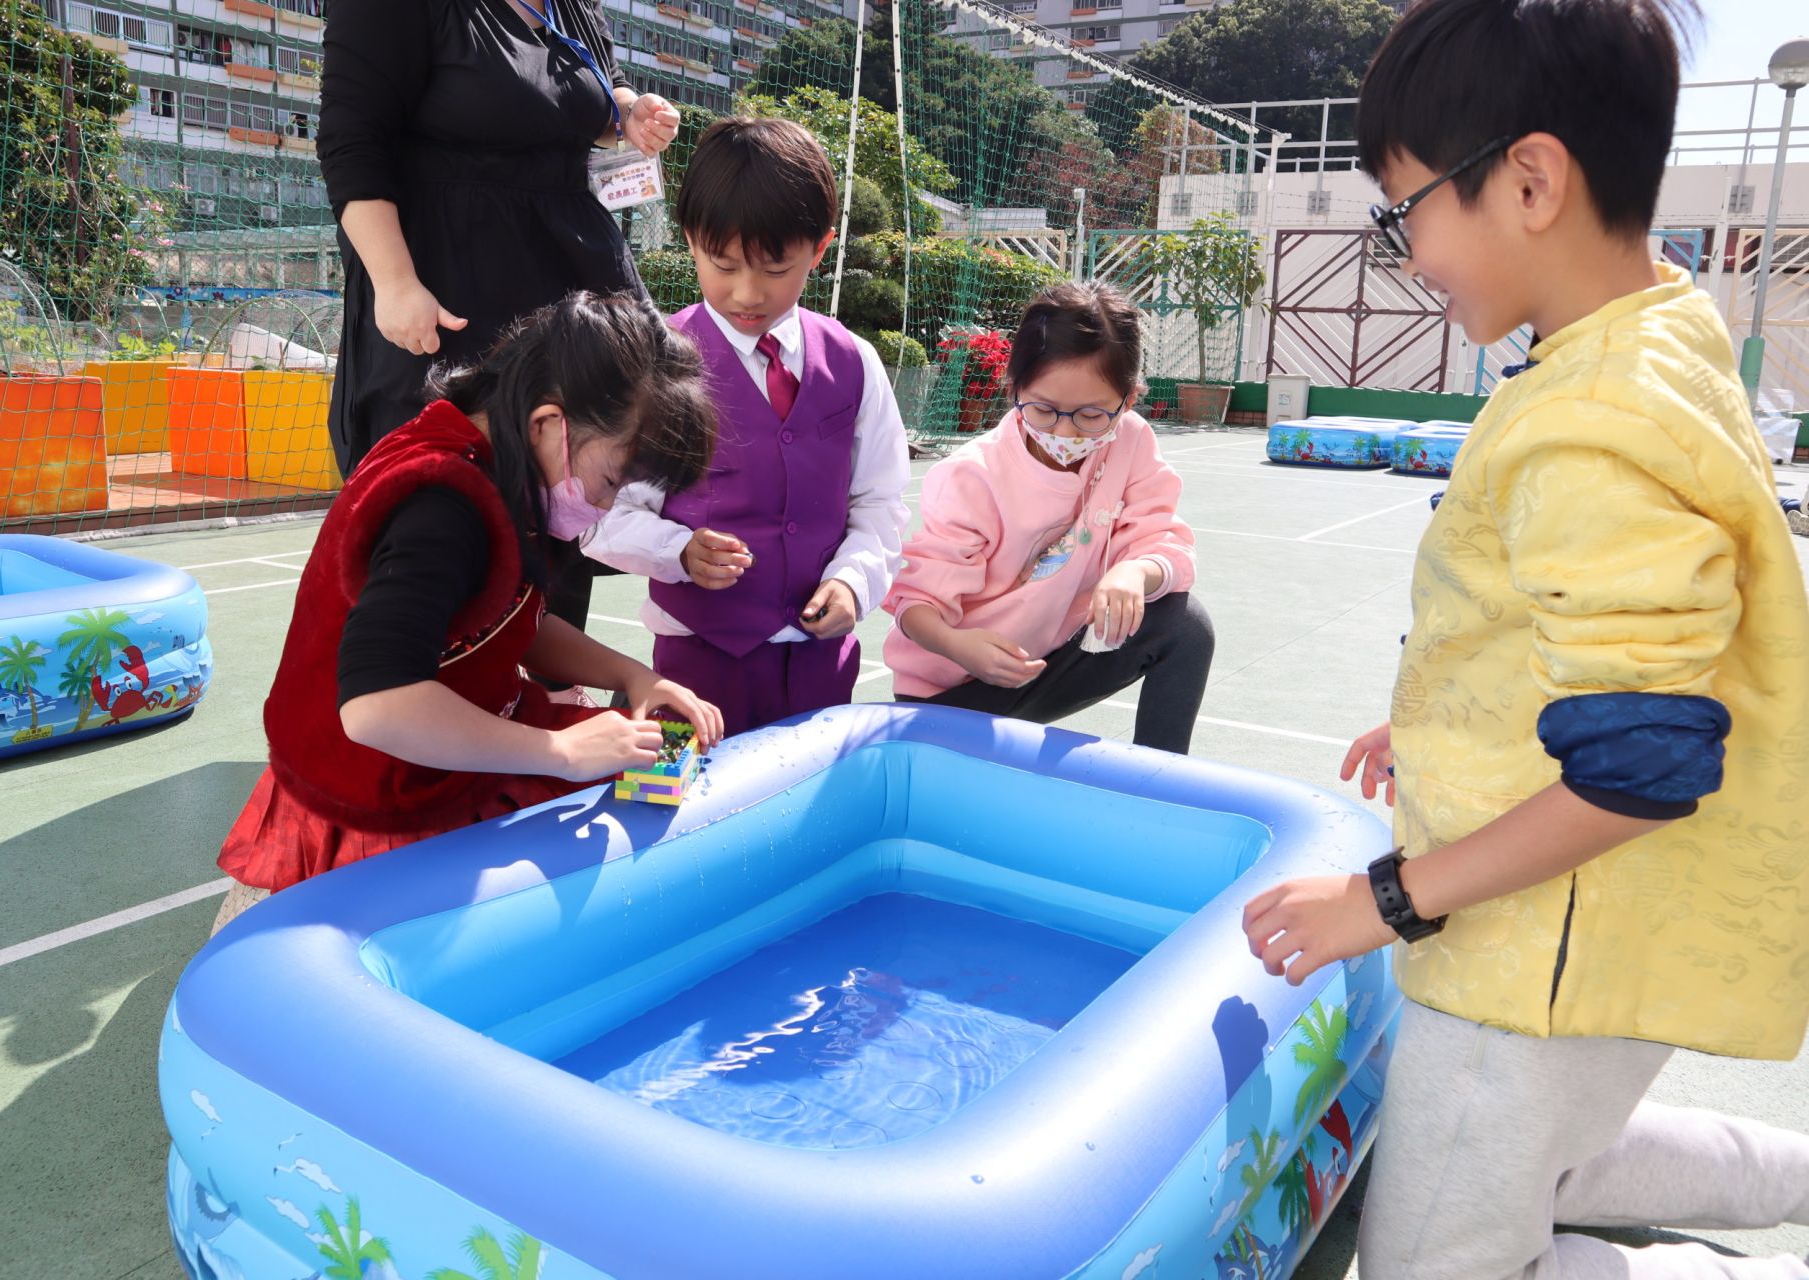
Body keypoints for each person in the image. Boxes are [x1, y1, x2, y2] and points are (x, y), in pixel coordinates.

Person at [1239, 4, 1809, 1278]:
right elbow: (1589, 638)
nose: (1409, 252)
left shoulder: (1590, 424)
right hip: (1606, 945)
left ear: (1531, 181)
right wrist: (1445, 722)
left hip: (1530, 960)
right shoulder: (1659, 331)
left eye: (1406, 210)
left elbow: (1639, 769)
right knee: (1561, 1139)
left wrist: (1381, 899)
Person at [211, 293, 723, 933]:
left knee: (646, 759)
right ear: (547, 424)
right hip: (382, 791)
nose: (605, 506)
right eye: (612, 482)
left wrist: (632, 676)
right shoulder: (441, 508)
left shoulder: (500, 464)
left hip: (454, 747)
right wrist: (560, 750)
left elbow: (509, 620)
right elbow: (376, 708)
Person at [317, 0, 682, 654]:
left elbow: (596, 94)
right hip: (448, 293)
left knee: (565, 507)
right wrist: (394, 282)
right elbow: (353, 139)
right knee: (440, 516)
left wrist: (629, 113)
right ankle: (412, 696)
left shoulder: (572, 5)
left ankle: (548, 695)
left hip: (567, 288)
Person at [584, 118, 911, 735]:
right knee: (681, 793)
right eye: (724, 264)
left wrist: (853, 581)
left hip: (822, 666)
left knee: (816, 796)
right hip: (694, 670)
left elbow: (881, 502)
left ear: (820, 249)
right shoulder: (654, 366)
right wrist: (677, 551)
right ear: (691, 240)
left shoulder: (855, 361)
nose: (747, 293)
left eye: (775, 268)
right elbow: (599, 513)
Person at [882, 283, 1214, 752]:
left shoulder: (1131, 441)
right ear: (1015, 388)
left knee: (1185, 626)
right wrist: (960, 647)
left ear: (1128, 400)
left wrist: (1135, 571)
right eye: (1042, 410)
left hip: (1043, 665)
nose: (1065, 432)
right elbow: (917, 603)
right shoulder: (973, 475)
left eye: (1091, 415)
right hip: (954, 690)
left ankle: (1157, 779)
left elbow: (1162, 539)